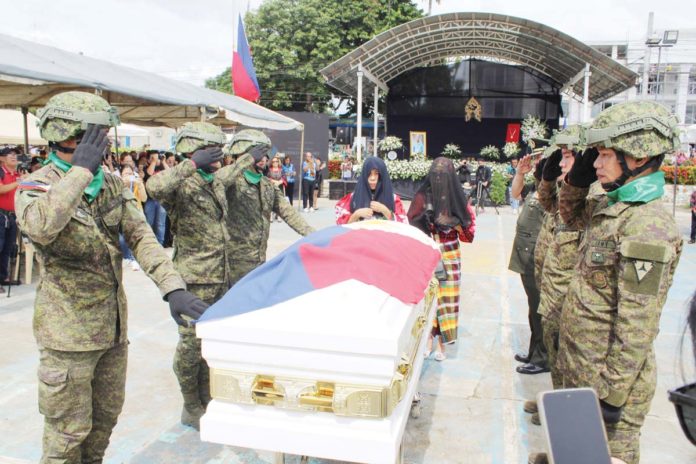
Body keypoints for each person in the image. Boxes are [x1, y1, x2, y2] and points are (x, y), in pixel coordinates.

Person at [15, 91, 207, 463]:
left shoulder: (111, 184)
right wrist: (79, 173)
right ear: (67, 135)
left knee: (104, 424)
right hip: (68, 336)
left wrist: (173, 288)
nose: (101, 143)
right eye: (93, 135)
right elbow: (41, 227)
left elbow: (141, 237)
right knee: (67, 436)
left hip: (112, 331)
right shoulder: (37, 185)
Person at [553, 101, 682, 464]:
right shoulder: (612, 206)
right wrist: (576, 181)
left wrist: (612, 395)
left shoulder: (647, 226)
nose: (596, 164)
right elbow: (569, 215)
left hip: (605, 390)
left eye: (605, 155)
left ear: (638, 158)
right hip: (579, 370)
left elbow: (637, 323)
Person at [147, 121, 253, 430]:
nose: (216, 155)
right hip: (193, 279)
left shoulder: (214, 180)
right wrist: (192, 164)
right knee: (190, 346)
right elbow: (154, 188)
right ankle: (190, 404)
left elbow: (232, 173)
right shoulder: (181, 182)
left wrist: (249, 155)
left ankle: (208, 396)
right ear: (191, 151)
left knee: (211, 343)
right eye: (209, 149)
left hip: (220, 274)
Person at [522, 127, 586, 431]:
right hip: (551, 281)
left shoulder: (591, 196)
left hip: (567, 288)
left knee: (566, 355)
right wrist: (546, 179)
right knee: (555, 351)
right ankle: (557, 401)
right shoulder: (569, 188)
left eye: (569, 156)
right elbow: (547, 205)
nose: (562, 163)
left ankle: (561, 409)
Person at [225, 130, 314, 287]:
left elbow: (290, 213)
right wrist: (243, 162)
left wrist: (314, 236)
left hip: (258, 263)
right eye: (257, 154)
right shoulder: (229, 184)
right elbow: (218, 181)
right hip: (230, 266)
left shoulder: (267, 186)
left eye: (265, 154)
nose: (264, 159)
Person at [408, 157, 476, 361]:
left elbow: (469, 235)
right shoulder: (422, 196)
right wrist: (428, 225)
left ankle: (442, 344)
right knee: (428, 299)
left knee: (446, 300)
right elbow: (412, 221)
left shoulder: (459, 198)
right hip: (428, 251)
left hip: (450, 252)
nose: (439, 180)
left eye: (443, 176)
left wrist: (454, 225)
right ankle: (427, 339)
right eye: (435, 176)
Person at [508, 155, 549, 378]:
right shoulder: (538, 185)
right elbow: (515, 194)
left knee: (539, 310)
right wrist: (520, 173)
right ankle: (535, 352)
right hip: (526, 257)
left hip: (538, 259)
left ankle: (543, 358)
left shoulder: (556, 189)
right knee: (533, 309)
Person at [335, 156, 407, 224]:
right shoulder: (352, 198)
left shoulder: (393, 199)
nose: (372, 178)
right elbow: (341, 227)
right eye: (369, 174)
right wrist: (356, 214)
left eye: (376, 173)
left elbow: (404, 226)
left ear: (382, 176)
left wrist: (385, 211)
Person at [0, 147, 22, 292]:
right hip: (0, 215)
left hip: (12, 215)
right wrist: (19, 183)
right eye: (10, 155)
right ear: (2, 158)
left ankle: (3, 277)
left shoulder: (18, 174)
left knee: (8, 248)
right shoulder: (1, 172)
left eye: (15, 154)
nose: (14, 157)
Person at [118, 164, 147, 271]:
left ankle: (133, 259)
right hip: (121, 215)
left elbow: (144, 199)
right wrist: (122, 184)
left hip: (136, 215)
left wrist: (140, 185)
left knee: (134, 238)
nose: (128, 176)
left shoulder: (137, 184)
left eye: (130, 174)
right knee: (121, 238)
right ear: (121, 175)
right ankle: (128, 257)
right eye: (125, 174)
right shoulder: (117, 184)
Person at [143, 151, 167, 245]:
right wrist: (153, 162)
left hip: (162, 199)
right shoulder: (146, 168)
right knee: (149, 223)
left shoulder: (162, 167)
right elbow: (148, 174)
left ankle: (160, 245)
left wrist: (163, 162)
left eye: (157, 157)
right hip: (150, 199)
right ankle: (149, 244)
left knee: (160, 224)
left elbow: (171, 173)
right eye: (153, 158)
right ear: (149, 159)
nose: (156, 159)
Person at [267, 155, 286, 222]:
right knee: (271, 202)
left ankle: (278, 216)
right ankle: (271, 216)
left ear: (278, 162)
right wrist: (274, 181)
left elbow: (284, 178)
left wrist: (280, 182)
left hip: (279, 188)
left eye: (276, 161)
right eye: (273, 161)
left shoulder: (281, 170)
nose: (275, 163)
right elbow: (267, 178)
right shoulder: (269, 170)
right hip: (271, 188)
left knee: (279, 202)